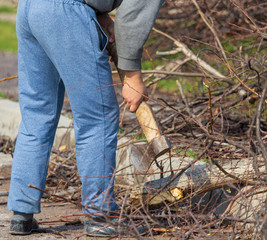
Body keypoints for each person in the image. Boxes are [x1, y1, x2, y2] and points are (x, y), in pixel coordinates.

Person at [8, 0, 164, 237]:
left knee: (37, 115)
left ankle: (21, 213)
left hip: (30, 8)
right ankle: (100, 215)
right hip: (64, 12)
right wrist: (132, 75)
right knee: (97, 117)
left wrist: (99, 15)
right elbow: (132, 14)